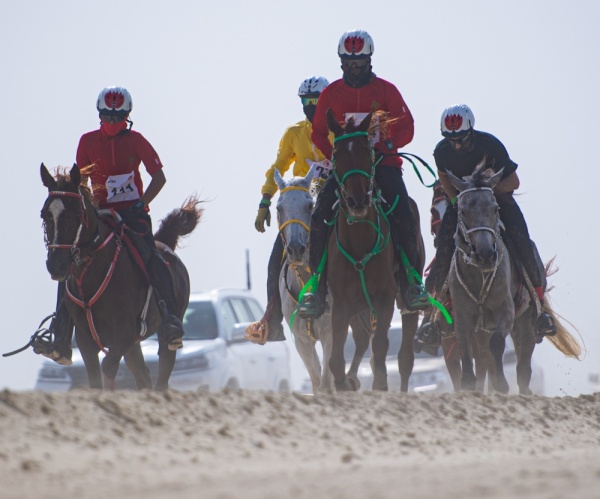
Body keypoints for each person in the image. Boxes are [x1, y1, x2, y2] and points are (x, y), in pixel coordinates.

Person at [33, 86, 185, 364]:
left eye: (118, 118)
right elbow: (78, 183)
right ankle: (61, 336)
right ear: (99, 115)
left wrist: (142, 202)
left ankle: (171, 321)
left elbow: (159, 178)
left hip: (134, 215)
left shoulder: (137, 140)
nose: (113, 123)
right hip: (101, 215)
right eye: (107, 117)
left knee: (151, 257)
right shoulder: (87, 141)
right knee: (69, 264)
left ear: (127, 117)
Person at [297, 29, 429, 318]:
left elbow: (407, 126)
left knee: (404, 211)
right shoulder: (331, 93)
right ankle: (316, 290)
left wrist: (390, 144)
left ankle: (411, 285)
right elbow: (319, 132)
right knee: (320, 216)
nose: (354, 67)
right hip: (346, 171)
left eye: (359, 62)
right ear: (341, 62)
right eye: (348, 62)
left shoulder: (386, 91)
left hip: (383, 166)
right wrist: (336, 156)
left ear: (369, 60)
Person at [414, 103, 556, 349]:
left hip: (497, 201)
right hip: (464, 204)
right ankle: (431, 318)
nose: (457, 145)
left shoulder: (491, 145)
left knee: (523, 242)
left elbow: (514, 181)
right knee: (444, 249)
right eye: (452, 140)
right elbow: (445, 178)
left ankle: (540, 309)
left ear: (472, 132)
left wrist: (484, 191)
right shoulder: (442, 151)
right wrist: (459, 200)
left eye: (462, 140)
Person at [247, 76, 331, 344]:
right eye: (306, 102)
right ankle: (272, 321)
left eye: (315, 101)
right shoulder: (294, 133)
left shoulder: (339, 129)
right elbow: (278, 167)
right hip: (303, 202)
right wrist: (265, 200)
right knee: (276, 258)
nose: (310, 106)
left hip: (335, 195)